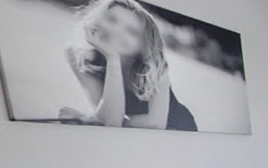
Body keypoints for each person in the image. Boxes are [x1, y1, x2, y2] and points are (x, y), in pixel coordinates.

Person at [61, 0, 197, 131]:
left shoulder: (154, 66)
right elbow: (109, 119)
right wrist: (112, 59)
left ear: (143, 45)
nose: (116, 31)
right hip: (134, 133)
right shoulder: (78, 55)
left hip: (177, 129)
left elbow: (156, 124)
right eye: (112, 19)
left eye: (132, 31)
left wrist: (92, 119)